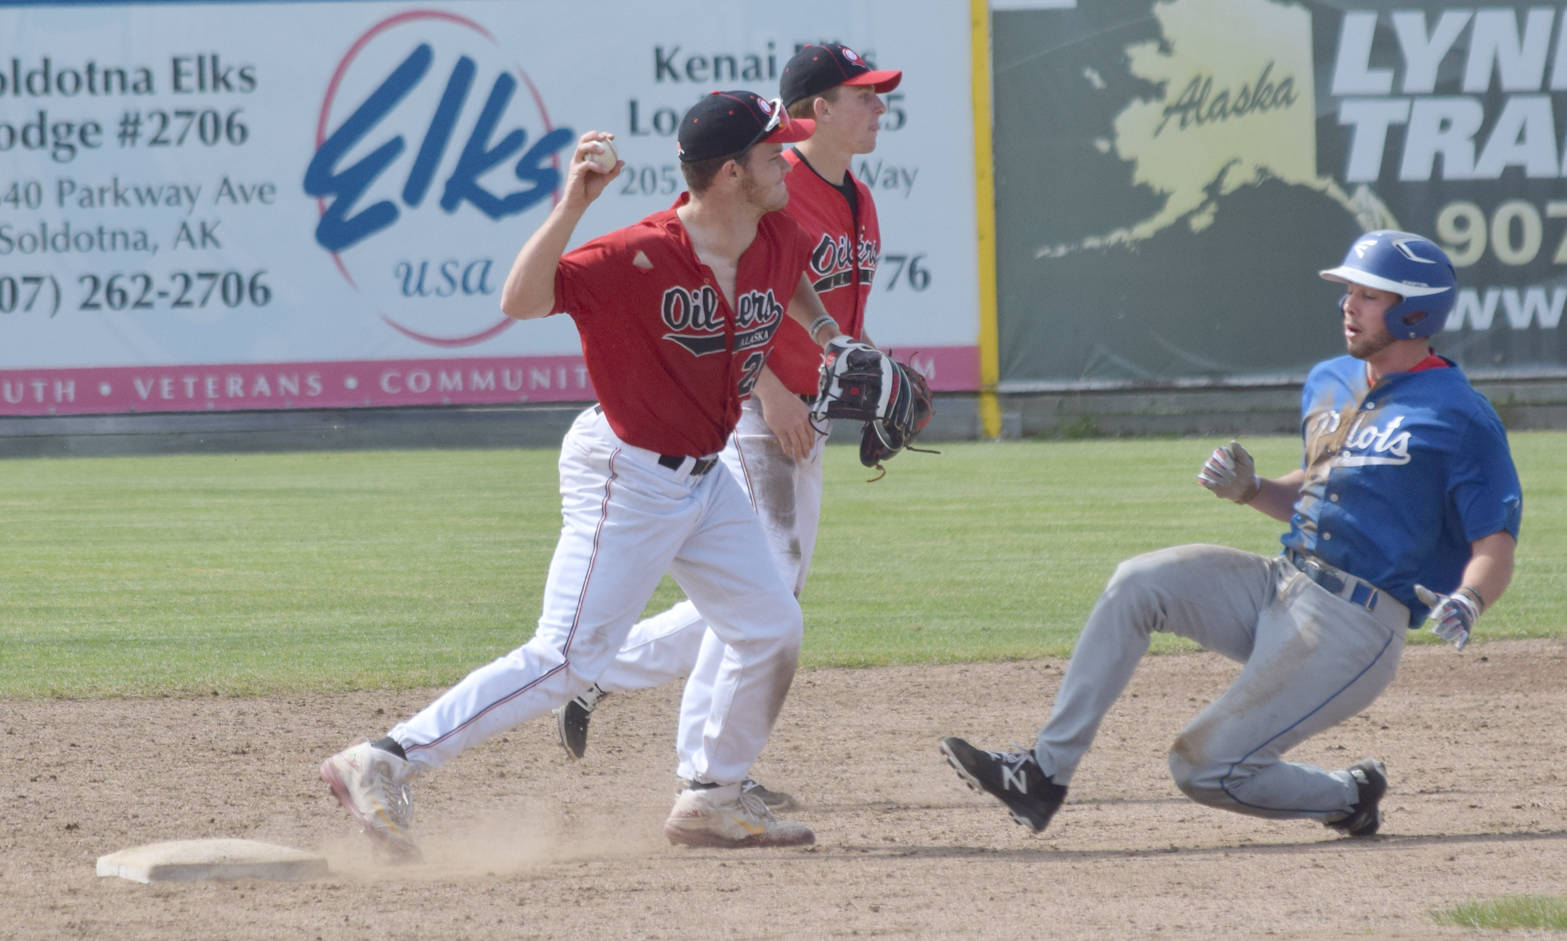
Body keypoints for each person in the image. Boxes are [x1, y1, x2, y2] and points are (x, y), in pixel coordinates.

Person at [321, 89, 850, 854]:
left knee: (769, 624)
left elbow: (791, 265)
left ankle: (710, 795)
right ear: (731, 172)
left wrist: (830, 334)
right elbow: (521, 298)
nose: (786, 163)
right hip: (627, 472)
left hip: (707, 475)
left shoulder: (772, 229)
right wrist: (573, 201)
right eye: (774, 153)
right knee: (566, 658)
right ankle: (384, 756)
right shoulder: (637, 253)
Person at [940, 230, 1522, 839]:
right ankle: (1042, 775)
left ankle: (1349, 796)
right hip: (1281, 583)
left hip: (1355, 626)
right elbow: (1324, 492)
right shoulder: (1332, 380)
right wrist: (1252, 489)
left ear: (1416, 309)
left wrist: (1470, 598)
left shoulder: (1459, 414)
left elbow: (1495, 544)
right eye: (1348, 290)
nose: (1347, 304)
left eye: (1368, 293)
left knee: (1201, 767)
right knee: (1139, 582)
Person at [548, 42, 904, 810]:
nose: (878, 105)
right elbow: (734, 296)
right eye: (863, 94)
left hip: (805, 410)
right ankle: (702, 770)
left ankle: (612, 679)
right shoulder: (784, 184)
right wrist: (772, 390)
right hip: (752, 407)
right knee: (764, 595)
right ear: (817, 110)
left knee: (768, 593)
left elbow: (817, 301)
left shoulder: (854, 196)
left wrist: (858, 370)